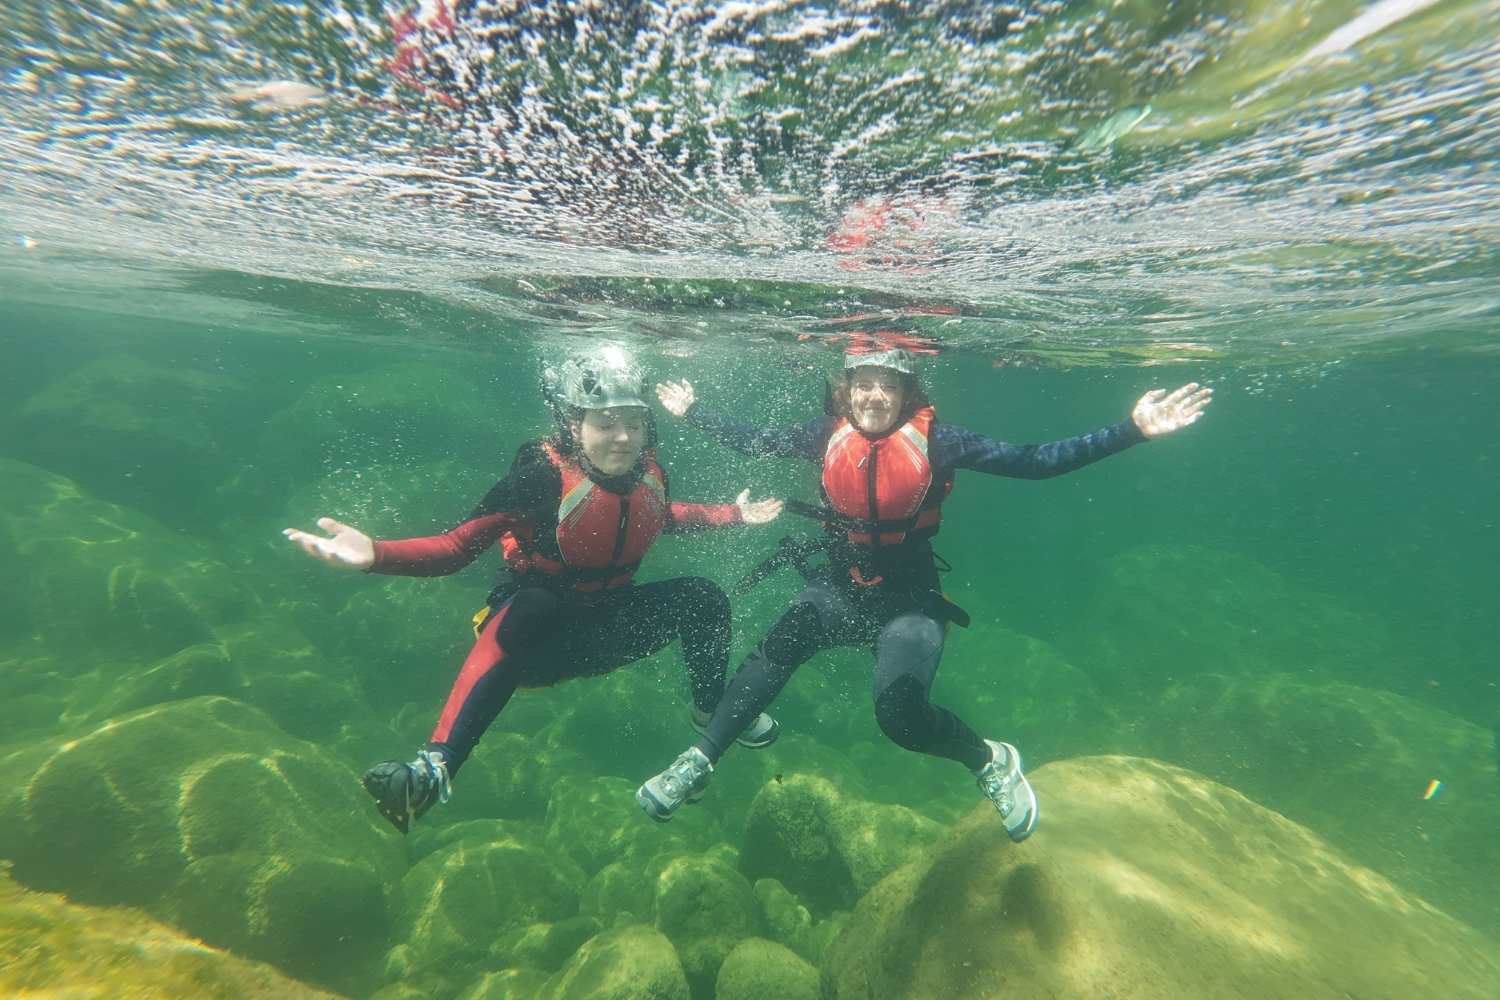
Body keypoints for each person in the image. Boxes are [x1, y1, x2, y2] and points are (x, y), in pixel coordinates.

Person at [636, 347, 1212, 841]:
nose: (875, 397)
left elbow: (1035, 463)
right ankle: (701, 758)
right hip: (838, 588)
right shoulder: (824, 434)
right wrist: (693, 413)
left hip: (909, 603)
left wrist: (1131, 430)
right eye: (864, 384)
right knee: (774, 652)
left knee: (901, 718)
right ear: (847, 390)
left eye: (890, 385)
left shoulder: (939, 441)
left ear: (908, 391)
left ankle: (991, 761)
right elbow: (755, 442)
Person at [284, 348, 784, 833]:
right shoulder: (539, 480)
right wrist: (376, 554)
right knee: (533, 603)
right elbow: (456, 547)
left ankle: (708, 708)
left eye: (633, 421)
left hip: (607, 629)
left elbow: (656, 519)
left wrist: (732, 514)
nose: (623, 436)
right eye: (605, 422)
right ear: (573, 424)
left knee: (704, 597)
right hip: (539, 644)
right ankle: (435, 769)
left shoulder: (649, 474)